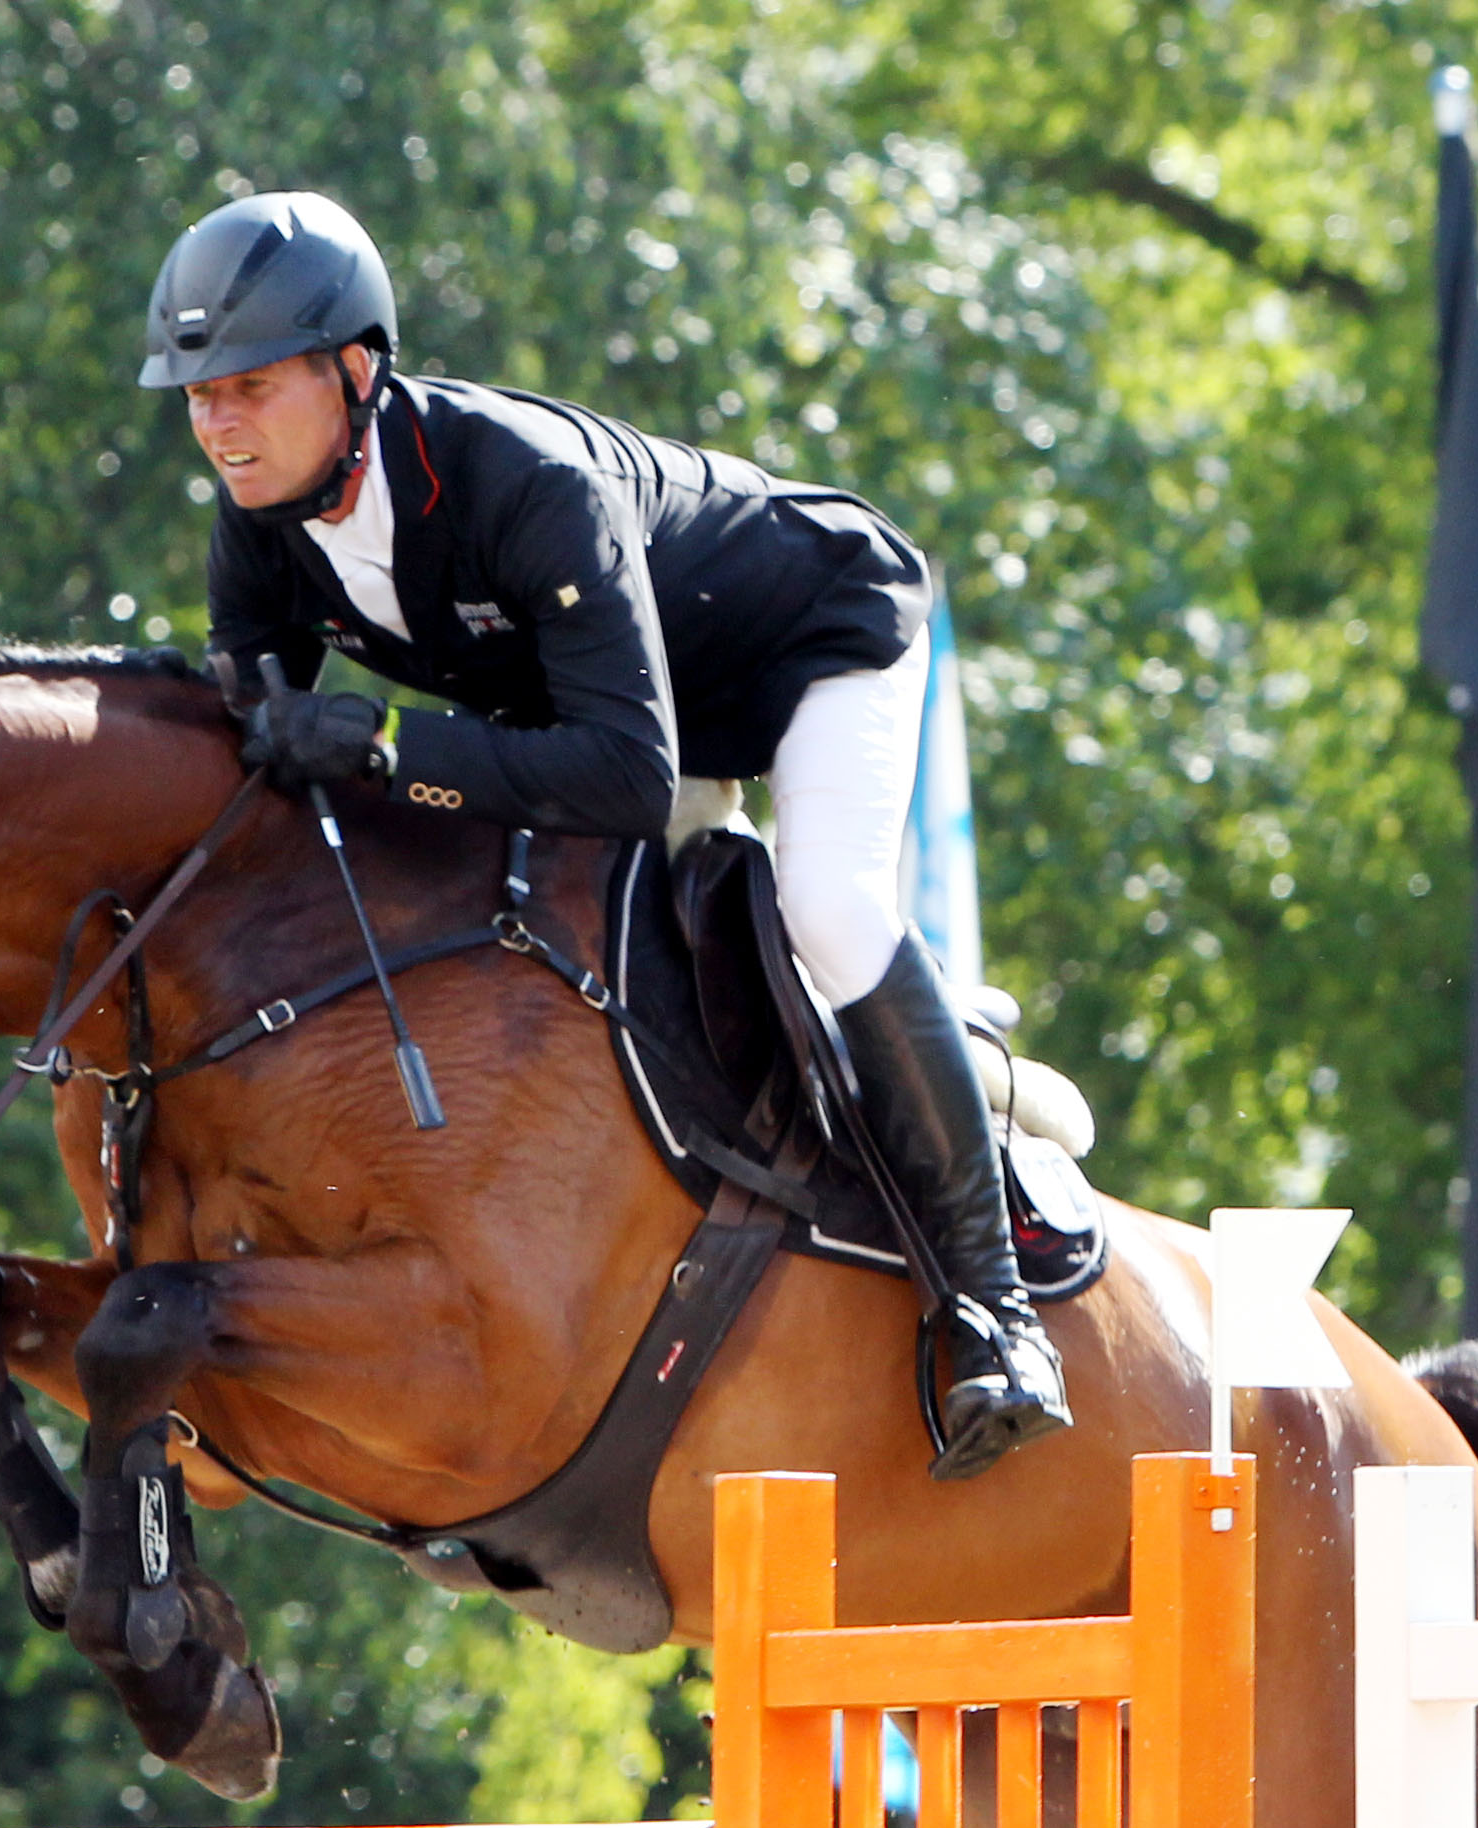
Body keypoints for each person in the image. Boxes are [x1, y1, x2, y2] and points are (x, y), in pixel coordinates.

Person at [143, 190, 1069, 1480]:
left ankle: (995, 1308)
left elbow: (630, 779)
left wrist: (390, 749)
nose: (219, 426)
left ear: (355, 368)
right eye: (197, 396)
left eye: (246, 386)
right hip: (620, 712)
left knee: (834, 909)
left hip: (809, 642)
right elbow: (253, 731)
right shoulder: (262, 526)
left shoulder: (526, 485)